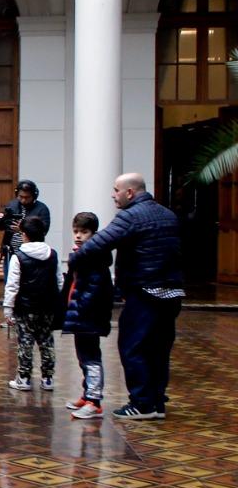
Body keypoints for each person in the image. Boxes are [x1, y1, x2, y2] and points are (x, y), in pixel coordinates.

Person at [69, 173, 183, 421]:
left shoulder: (131, 216)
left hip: (144, 292)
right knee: (159, 350)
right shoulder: (168, 214)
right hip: (172, 292)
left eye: (116, 190)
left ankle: (141, 403)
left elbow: (100, 242)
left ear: (129, 193)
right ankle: (156, 401)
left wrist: (74, 258)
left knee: (133, 347)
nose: (113, 194)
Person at [61, 211, 114, 421]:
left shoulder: (93, 258)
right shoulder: (83, 255)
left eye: (84, 232)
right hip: (81, 314)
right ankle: (87, 395)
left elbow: (95, 288)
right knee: (83, 356)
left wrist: (82, 307)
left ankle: (94, 400)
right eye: (75, 231)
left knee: (91, 358)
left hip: (88, 315)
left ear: (93, 233)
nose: (78, 236)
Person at [3, 214, 60, 392]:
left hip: (25, 307)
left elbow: (12, 285)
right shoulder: (53, 254)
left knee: (25, 342)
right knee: (47, 342)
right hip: (48, 306)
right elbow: (59, 281)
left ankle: (24, 378)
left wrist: (8, 309)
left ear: (24, 234)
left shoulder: (18, 256)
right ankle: (48, 378)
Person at [0, 180, 52, 323]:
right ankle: (11, 317)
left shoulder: (42, 209)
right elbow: (1, 227)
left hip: (32, 254)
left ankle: (29, 315)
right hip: (11, 251)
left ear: (34, 196)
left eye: (27, 197)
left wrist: (22, 229)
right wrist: (0, 220)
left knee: (28, 284)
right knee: (11, 283)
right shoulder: (12, 205)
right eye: (21, 197)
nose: (23, 200)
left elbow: (43, 230)